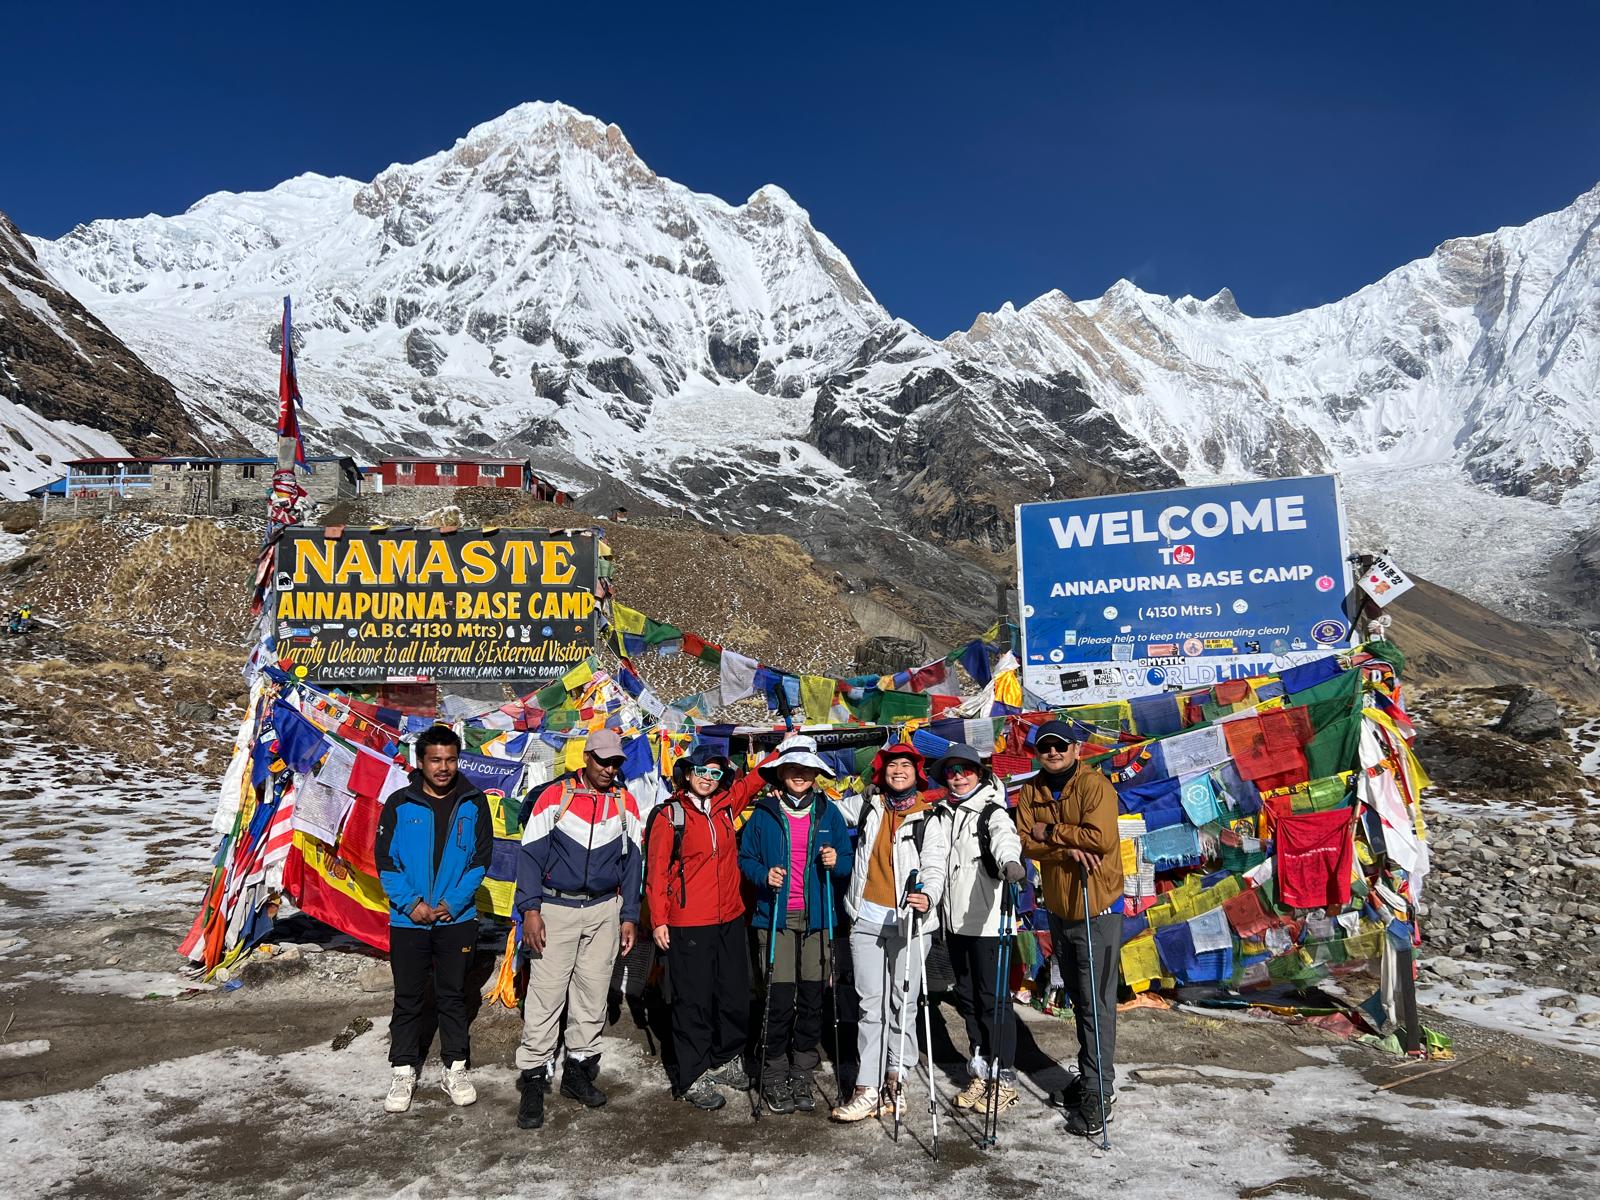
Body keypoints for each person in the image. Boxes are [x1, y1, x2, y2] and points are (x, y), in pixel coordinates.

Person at [513, 727, 643, 1130]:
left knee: (592, 992)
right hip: (555, 908)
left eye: (616, 762)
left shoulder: (626, 802)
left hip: (606, 910)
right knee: (546, 994)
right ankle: (534, 1077)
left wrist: (629, 916)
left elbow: (634, 864)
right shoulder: (555, 797)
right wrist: (530, 910)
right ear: (586, 757)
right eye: (602, 760)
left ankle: (578, 1070)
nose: (609, 768)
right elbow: (530, 857)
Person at [374, 725, 492, 1115]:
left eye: (451, 759)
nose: (444, 768)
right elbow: (386, 862)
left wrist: (452, 903)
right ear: (420, 761)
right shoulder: (399, 804)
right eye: (436, 760)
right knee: (408, 997)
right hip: (409, 921)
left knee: (453, 995)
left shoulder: (474, 802)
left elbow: (480, 861)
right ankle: (404, 1068)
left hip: (455, 919)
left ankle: (455, 1066)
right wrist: (411, 904)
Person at [1016, 719, 1125, 1138]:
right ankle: (1091, 1076)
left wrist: (1053, 832)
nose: (1054, 752)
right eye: (1046, 747)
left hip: (1095, 906)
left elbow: (1099, 838)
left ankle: (1100, 1090)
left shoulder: (1095, 785)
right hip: (1061, 907)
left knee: (1096, 1001)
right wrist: (1068, 844)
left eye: (1061, 745)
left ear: (1076, 747)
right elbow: (1025, 840)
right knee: (1079, 999)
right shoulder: (1031, 790)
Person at [829, 743, 949, 1123]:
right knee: (870, 1005)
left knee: (903, 1003)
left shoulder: (931, 817)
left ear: (917, 773)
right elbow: (826, 810)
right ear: (882, 772)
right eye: (893, 765)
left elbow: (934, 866)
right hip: (865, 917)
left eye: (906, 765)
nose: (899, 771)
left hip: (910, 922)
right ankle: (866, 1086)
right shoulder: (869, 806)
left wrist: (928, 895)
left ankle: (897, 1077)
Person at [643, 745, 766, 1110]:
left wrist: (787, 746)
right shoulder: (671, 816)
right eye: (701, 770)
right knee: (692, 1000)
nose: (707, 778)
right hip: (688, 922)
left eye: (715, 773)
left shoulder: (727, 806)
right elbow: (657, 871)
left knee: (733, 995)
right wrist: (659, 919)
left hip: (729, 917)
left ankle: (726, 1058)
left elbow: (756, 780)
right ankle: (692, 1073)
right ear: (687, 771)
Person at [738, 735, 855, 1115]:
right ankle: (773, 1074)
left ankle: (802, 1071)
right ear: (781, 774)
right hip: (775, 920)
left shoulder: (829, 813)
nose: (799, 775)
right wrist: (762, 875)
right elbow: (746, 858)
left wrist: (836, 859)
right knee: (778, 999)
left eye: (806, 769)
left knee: (810, 1000)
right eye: (792, 769)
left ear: (815, 774)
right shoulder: (764, 814)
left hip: (818, 919)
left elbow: (847, 863)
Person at [934, 744, 1026, 1115]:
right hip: (955, 923)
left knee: (994, 1001)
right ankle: (980, 1070)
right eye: (952, 770)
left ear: (979, 773)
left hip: (988, 922)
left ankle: (1004, 1077)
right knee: (968, 999)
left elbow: (1006, 838)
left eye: (966, 769)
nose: (958, 775)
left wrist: (1010, 862)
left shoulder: (992, 810)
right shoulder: (942, 813)